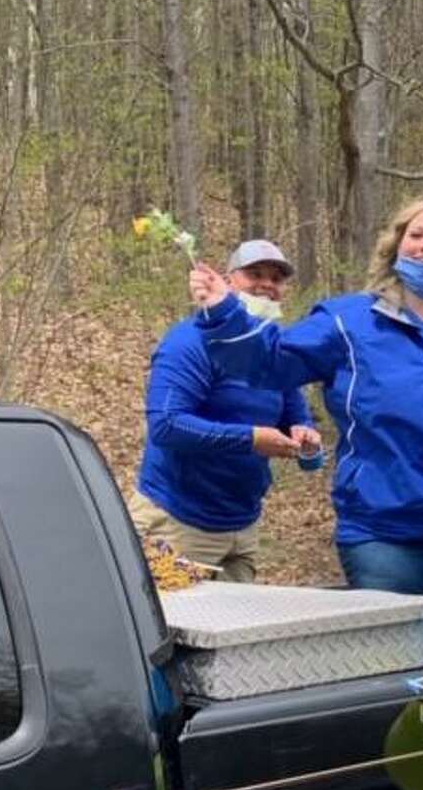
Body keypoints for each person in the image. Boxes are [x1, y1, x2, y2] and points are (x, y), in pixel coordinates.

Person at [187, 190, 423, 629]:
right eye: (416, 234)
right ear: (397, 247)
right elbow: (270, 362)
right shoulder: (347, 322)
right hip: (384, 528)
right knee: (403, 667)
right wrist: (223, 313)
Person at [130, 239, 322, 582]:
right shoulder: (188, 342)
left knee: (232, 634)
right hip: (176, 523)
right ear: (228, 281)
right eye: (255, 274)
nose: (267, 284)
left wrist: (306, 437)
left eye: (276, 279)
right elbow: (167, 425)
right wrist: (249, 439)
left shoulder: (273, 346)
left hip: (242, 526)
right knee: (170, 633)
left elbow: (296, 414)